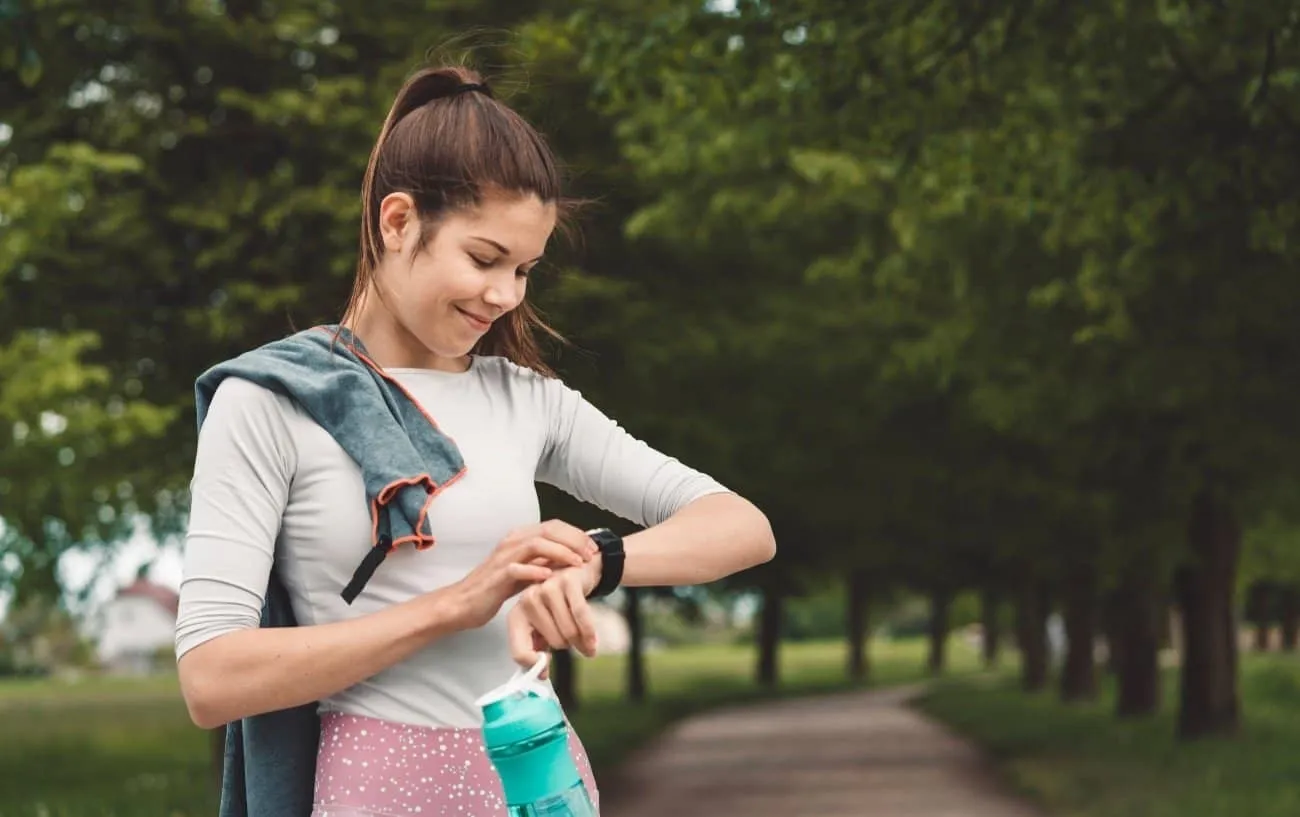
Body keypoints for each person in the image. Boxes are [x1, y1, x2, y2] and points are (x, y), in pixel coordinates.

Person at [174, 63, 776, 817]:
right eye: (485, 259)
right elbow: (211, 677)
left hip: (540, 780)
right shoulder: (267, 402)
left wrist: (597, 561)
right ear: (397, 222)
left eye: (525, 269)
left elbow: (744, 527)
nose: (507, 295)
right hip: (378, 788)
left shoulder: (524, 401)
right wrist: (459, 601)